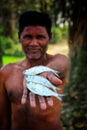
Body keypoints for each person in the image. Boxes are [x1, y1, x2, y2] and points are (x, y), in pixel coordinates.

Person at [0, 11, 69, 130]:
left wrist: (47, 71)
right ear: (19, 36)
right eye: (28, 37)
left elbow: (62, 62)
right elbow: (3, 121)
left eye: (40, 37)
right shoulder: (6, 72)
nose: (34, 43)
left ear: (50, 37)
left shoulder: (57, 62)